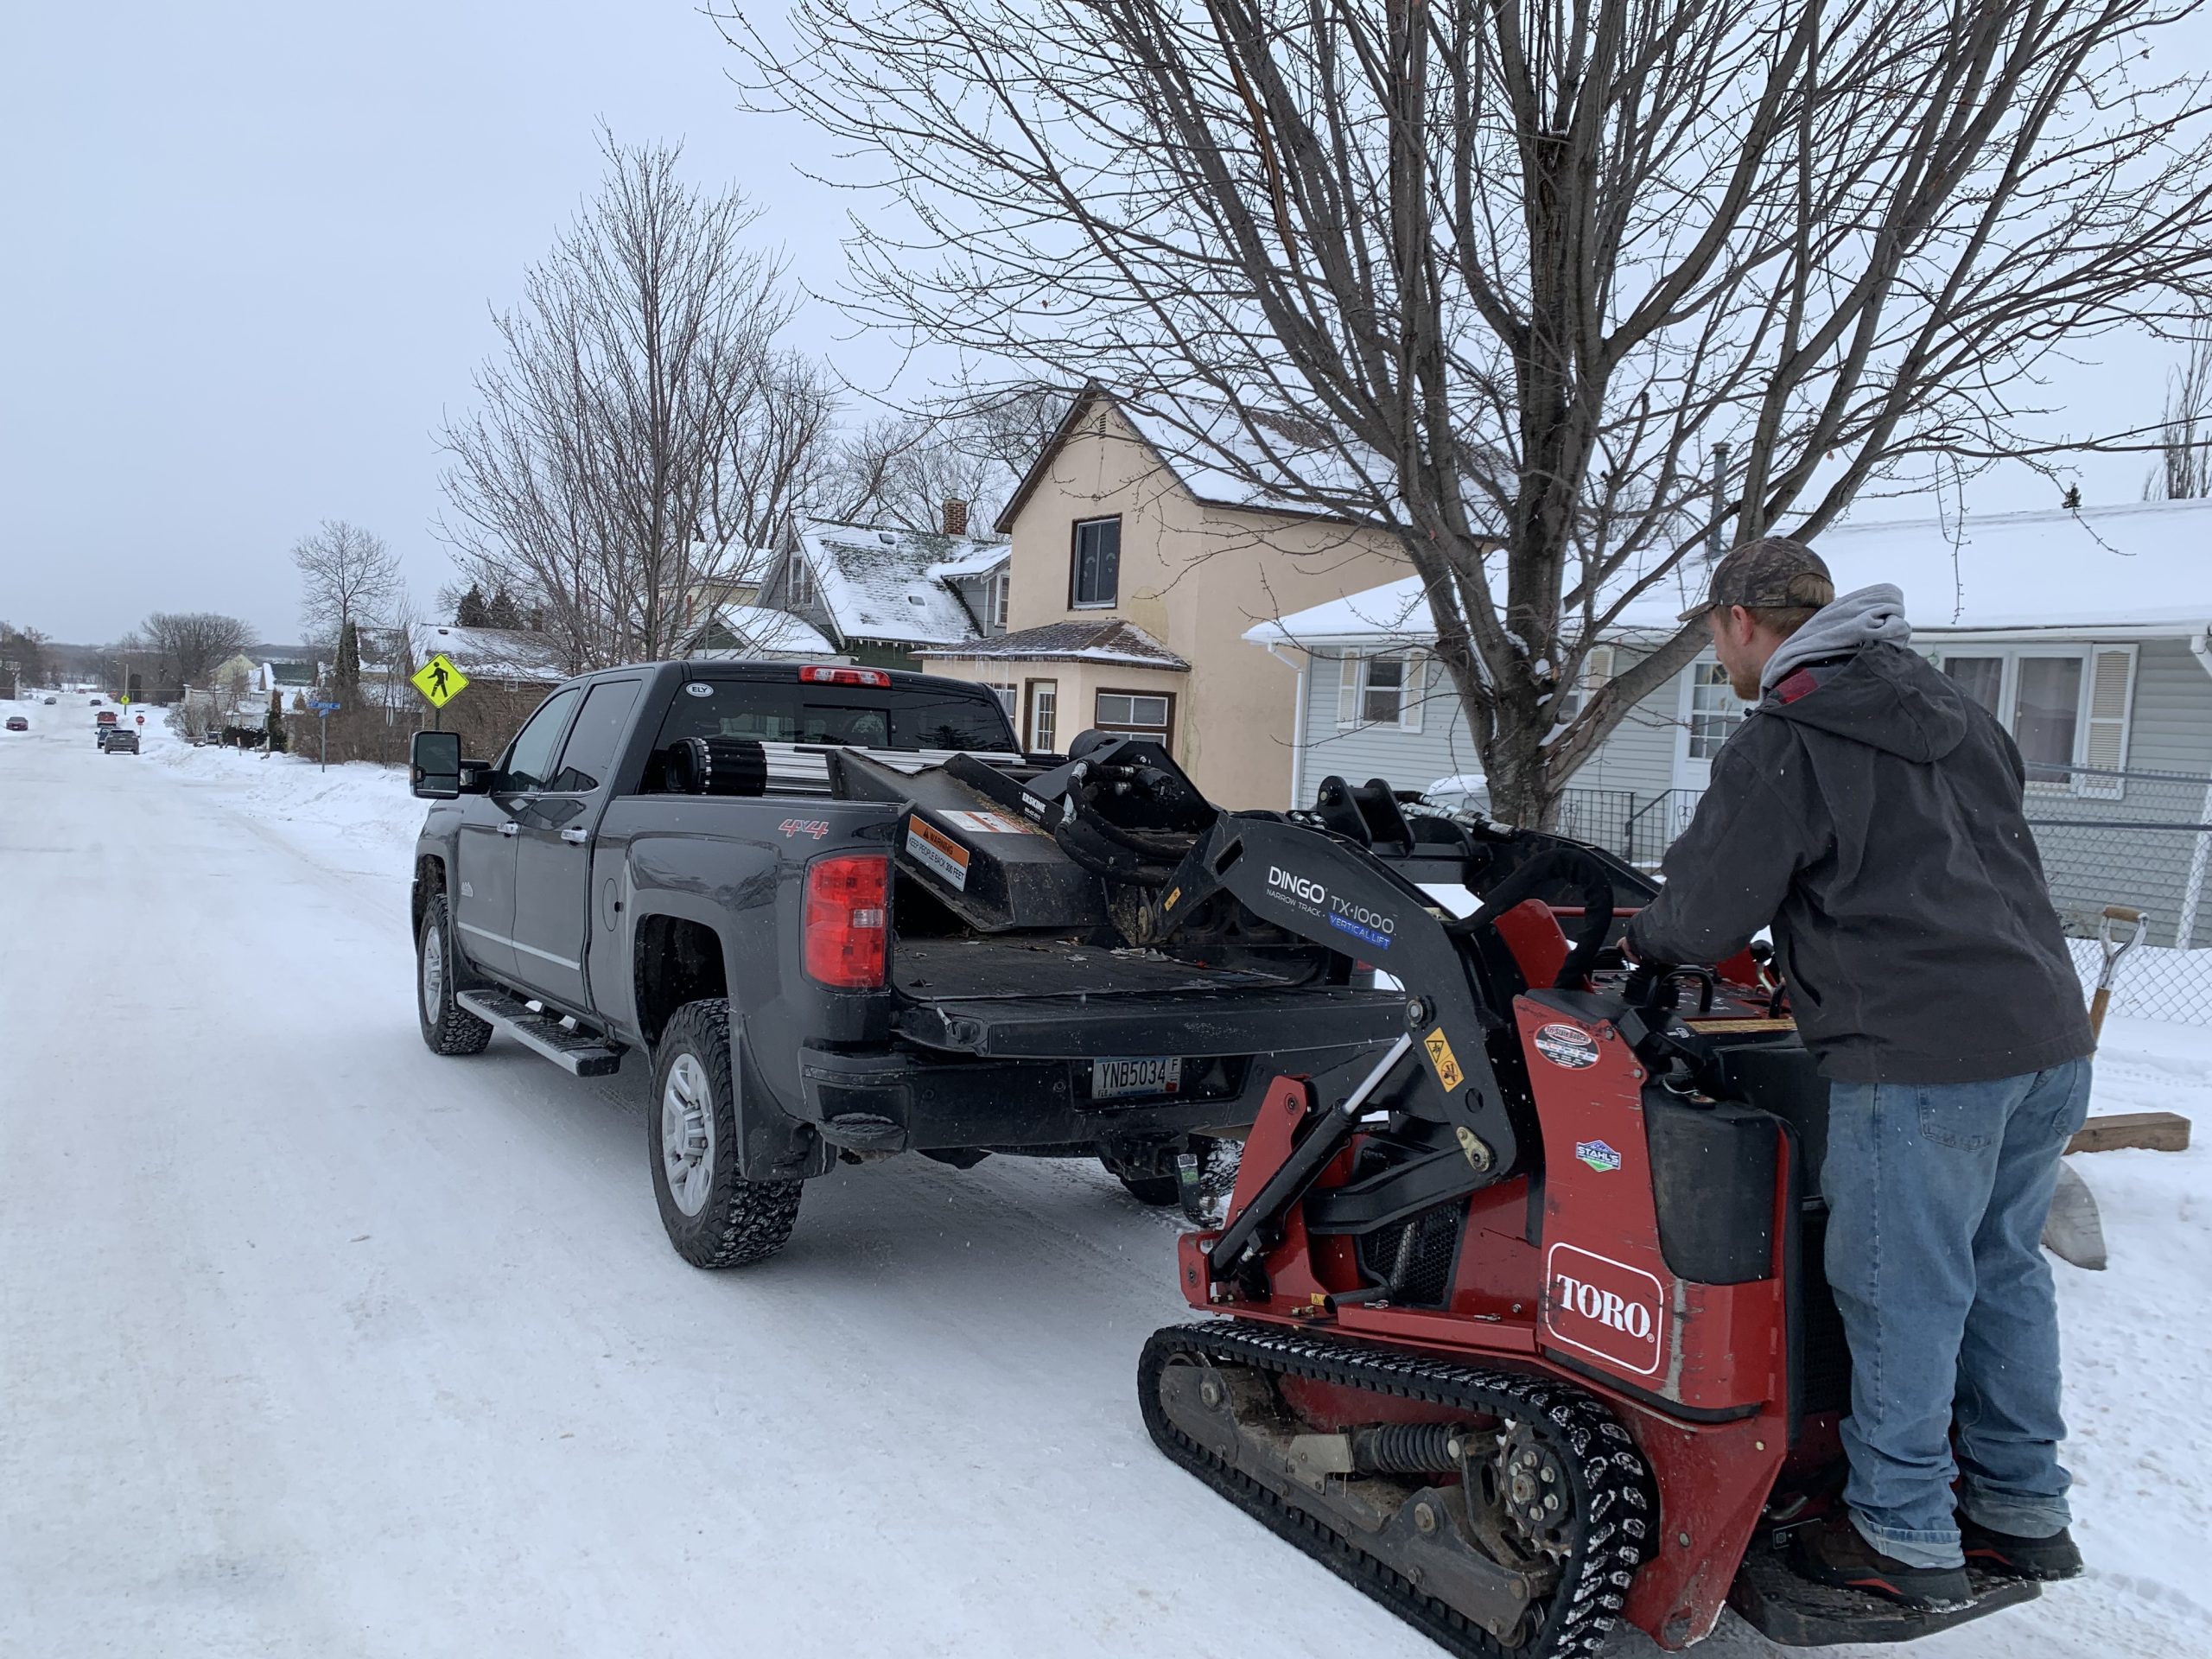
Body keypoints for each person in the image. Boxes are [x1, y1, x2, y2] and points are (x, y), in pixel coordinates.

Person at [1622, 537, 2094, 1613]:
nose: (1716, 650)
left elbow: (1698, 920)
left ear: (1740, 620)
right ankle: (2022, 1511)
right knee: (2001, 1269)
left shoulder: (1787, 738)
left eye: (1712, 631)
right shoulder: (1958, 713)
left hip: (1923, 1058)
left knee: (1901, 1293)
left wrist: (1644, 944)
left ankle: (1899, 1530)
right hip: (2042, 1039)